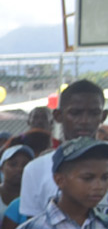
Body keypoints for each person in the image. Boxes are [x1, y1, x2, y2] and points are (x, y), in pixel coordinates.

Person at [19, 80, 108, 218]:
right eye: (75, 113)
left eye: (93, 113)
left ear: (103, 116)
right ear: (58, 116)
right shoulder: (35, 169)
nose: (84, 120)